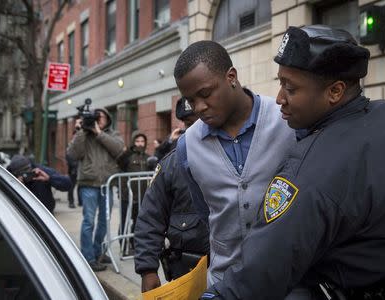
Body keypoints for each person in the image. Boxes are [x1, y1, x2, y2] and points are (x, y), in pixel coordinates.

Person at [201, 25, 385, 300]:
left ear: (335, 91)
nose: (280, 98)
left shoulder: (311, 165)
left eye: (290, 88)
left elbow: (265, 268)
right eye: (281, 83)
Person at [173, 40, 298, 287]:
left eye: (205, 94)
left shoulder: (288, 122)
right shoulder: (187, 147)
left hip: (288, 278)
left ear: (231, 77)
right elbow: (205, 209)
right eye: (190, 101)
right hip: (224, 281)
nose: (199, 107)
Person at [134, 99, 209, 292]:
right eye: (189, 123)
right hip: (185, 272)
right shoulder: (171, 164)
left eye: (201, 120)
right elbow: (150, 218)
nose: (195, 128)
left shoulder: (231, 155)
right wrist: (148, 270)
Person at [67, 108, 124, 272]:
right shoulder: (83, 135)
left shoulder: (113, 134)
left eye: (101, 117)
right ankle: (88, 257)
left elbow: (119, 149)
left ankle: (98, 252)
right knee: (88, 222)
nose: (98, 120)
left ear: (108, 119)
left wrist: (99, 133)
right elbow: (73, 154)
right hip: (88, 184)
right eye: (96, 117)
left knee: (104, 223)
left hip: (107, 184)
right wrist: (80, 131)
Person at [117, 130, 154, 255]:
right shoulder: (127, 156)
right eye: (137, 141)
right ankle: (123, 247)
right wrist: (127, 151)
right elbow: (119, 163)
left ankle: (134, 245)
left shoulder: (148, 158)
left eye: (142, 141)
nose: (140, 144)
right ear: (133, 142)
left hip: (142, 196)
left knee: (138, 223)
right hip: (127, 195)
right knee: (125, 222)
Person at [7, 154, 72, 214]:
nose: (26, 175)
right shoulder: (10, 178)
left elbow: (67, 184)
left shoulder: (41, 172)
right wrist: (16, 186)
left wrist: (50, 178)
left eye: (27, 171)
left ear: (31, 166)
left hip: (46, 214)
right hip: (24, 216)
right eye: (22, 174)